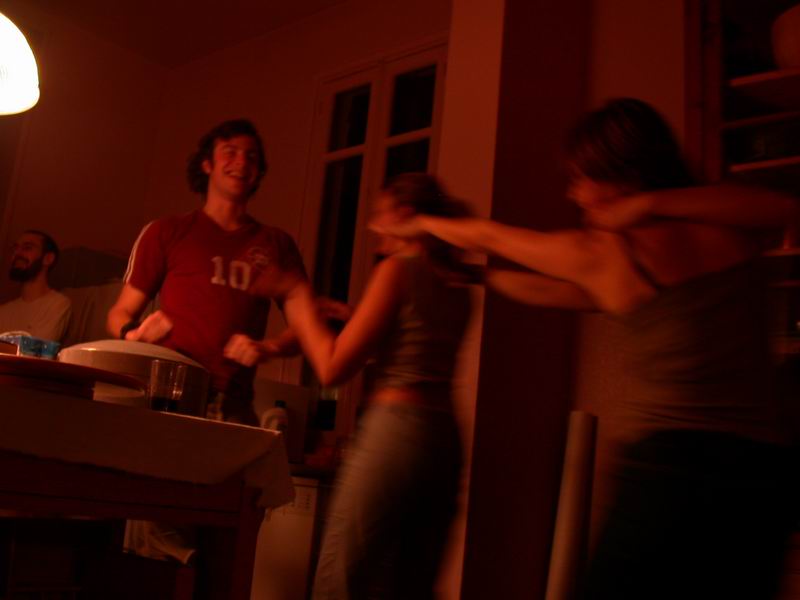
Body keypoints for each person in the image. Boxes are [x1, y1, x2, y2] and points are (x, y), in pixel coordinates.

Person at [379, 99, 798, 599]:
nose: (572, 193)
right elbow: (563, 293)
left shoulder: (614, 252)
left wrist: (423, 226)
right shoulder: (730, 227)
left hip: (674, 470)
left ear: (622, 175)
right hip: (763, 473)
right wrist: (476, 276)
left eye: (581, 179)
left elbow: (495, 237)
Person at [225, 173, 474, 599]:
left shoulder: (396, 270)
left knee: (342, 578)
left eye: (380, 215)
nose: (373, 227)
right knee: (409, 584)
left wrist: (296, 292)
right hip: (443, 438)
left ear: (406, 215)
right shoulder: (454, 283)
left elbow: (332, 368)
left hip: (395, 433)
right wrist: (339, 319)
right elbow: (407, 343)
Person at [107, 118, 306, 424]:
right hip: (169, 396)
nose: (242, 162)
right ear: (207, 164)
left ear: (258, 172)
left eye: (251, 156)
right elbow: (119, 313)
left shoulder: (277, 244)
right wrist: (133, 334)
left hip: (234, 404)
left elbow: (305, 327)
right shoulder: (165, 232)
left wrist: (268, 348)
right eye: (230, 152)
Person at [0, 230, 71, 342]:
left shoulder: (57, 305)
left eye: (27, 248)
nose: (17, 253)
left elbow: (36, 348)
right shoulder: (4, 311)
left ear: (48, 259)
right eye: (15, 248)